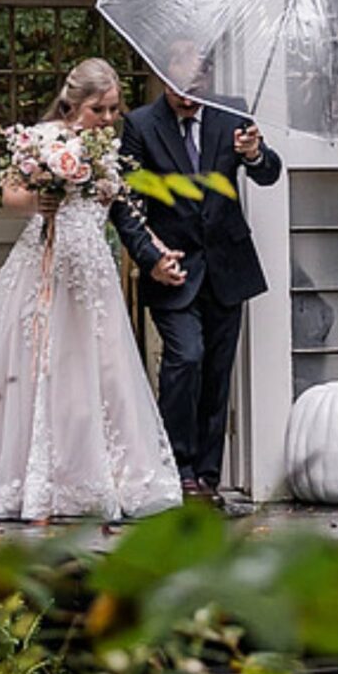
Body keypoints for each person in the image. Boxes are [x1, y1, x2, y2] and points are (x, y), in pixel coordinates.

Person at [0, 59, 189, 522]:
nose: (107, 119)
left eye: (113, 110)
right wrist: (41, 201)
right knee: (44, 365)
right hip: (46, 268)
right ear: (73, 103)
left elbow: (124, 210)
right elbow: (10, 195)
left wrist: (156, 253)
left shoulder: (108, 148)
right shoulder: (42, 139)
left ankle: (111, 476)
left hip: (92, 272)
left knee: (102, 371)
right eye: (98, 109)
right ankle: (37, 479)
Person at [121, 37, 282, 497]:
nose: (184, 93)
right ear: (163, 76)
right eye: (174, 83)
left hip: (228, 267)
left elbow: (269, 173)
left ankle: (208, 477)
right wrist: (150, 259)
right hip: (172, 270)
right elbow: (127, 206)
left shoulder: (233, 114)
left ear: (207, 78)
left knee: (217, 371)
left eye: (193, 83)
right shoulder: (140, 125)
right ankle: (179, 465)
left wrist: (254, 153)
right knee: (185, 359)